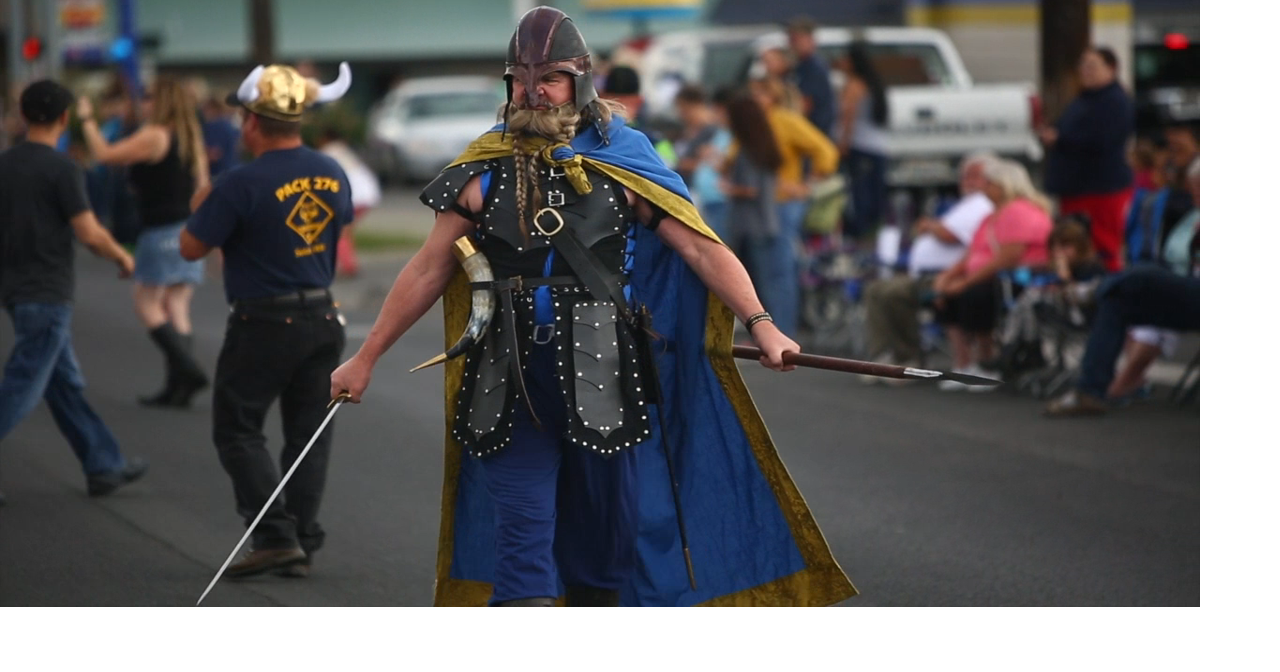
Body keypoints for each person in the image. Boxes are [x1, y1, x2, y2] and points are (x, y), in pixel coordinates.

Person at [328, 6, 856, 607]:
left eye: (548, 77)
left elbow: (704, 250)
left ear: (580, 80)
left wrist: (763, 324)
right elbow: (427, 267)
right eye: (521, 79)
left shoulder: (623, 155)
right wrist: (365, 357)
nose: (533, 91)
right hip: (509, 378)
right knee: (522, 546)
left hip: (603, 373)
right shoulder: (485, 166)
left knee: (602, 558)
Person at [178, 62, 355, 578]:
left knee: (237, 429)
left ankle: (276, 537)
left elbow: (191, 247)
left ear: (252, 122)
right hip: (324, 313)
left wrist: (204, 202)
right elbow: (335, 224)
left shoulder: (237, 183)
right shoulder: (333, 170)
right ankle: (300, 536)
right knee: (308, 436)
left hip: (263, 322)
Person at [0, 80, 147, 505]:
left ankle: (103, 464)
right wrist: (122, 256)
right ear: (65, 119)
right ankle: (104, 463)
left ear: (24, 116)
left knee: (61, 383)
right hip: (48, 290)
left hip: (15, 288)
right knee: (23, 383)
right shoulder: (62, 169)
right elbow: (88, 231)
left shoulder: (4, 165)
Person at [78, 76, 212, 408]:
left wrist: (86, 120)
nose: (144, 102)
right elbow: (203, 186)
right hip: (189, 227)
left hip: (161, 228)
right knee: (177, 304)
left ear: (163, 102)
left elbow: (105, 155)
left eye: (150, 96)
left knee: (146, 303)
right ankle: (177, 387)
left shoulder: (155, 135)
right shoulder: (191, 137)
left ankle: (188, 368)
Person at [862, 152, 995, 374]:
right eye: (964, 176)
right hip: (928, 273)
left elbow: (952, 235)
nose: (967, 181)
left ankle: (909, 358)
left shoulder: (982, 204)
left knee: (893, 293)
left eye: (974, 176)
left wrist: (929, 226)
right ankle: (882, 354)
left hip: (947, 274)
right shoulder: (966, 204)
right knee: (875, 289)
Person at [1039, 46, 1135, 272]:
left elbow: (1103, 140)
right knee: (1074, 244)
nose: (1085, 71)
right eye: (1083, 65)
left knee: (1102, 245)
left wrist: (1061, 139)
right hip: (1076, 188)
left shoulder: (1115, 101)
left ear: (1111, 68)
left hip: (1101, 189)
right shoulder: (1083, 99)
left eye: (1092, 66)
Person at [834, 42, 891, 240]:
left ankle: (861, 235)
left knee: (860, 195)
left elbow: (847, 116)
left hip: (860, 145)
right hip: (878, 146)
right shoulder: (874, 83)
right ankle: (874, 233)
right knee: (875, 194)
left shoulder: (854, 85)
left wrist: (843, 143)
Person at [317, 125, 381, 277]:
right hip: (368, 194)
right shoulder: (342, 149)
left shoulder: (327, 152)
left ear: (324, 139)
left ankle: (348, 266)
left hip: (355, 196)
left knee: (341, 231)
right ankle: (347, 264)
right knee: (345, 230)